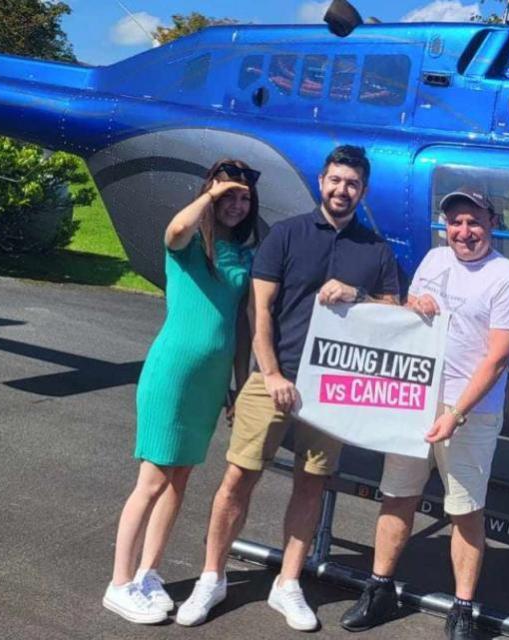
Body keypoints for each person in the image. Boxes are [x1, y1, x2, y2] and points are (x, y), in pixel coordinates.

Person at [176, 145, 400, 631]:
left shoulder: (376, 249)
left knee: (312, 482)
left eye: (353, 184)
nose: (343, 190)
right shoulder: (285, 234)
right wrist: (272, 373)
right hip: (273, 378)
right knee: (239, 478)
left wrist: (357, 294)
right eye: (336, 180)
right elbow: (260, 312)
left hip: (335, 388)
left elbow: (391, 313)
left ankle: (288, 583)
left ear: (363, 191)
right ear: (322, 181)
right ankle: (211, 577)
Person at [339, 186, 509, 640]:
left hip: (470, 412)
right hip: (417, 399)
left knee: (465, 510)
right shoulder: (433, 260)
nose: (464, 231)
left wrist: (457, 412)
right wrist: (415, 306)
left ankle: (462, 606)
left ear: (492, 223)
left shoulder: (508, 278)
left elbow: (497, 358)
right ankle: (379, 587)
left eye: (474, 221)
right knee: (397, 495)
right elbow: (412, 319)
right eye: (455, 221)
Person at [103, 159, 260, 624]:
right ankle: (118, 582)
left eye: (243, 196)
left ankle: (148, 572)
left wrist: (237, 382)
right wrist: (211, 195)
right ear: (209, 193)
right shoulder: (188, 243)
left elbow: (239, 327)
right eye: (227, 194)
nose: (235, 203)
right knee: (151, 480)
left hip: (210, 384)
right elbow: (175, 228)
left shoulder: (243, 254)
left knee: (180, 479)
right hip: (172, 374)